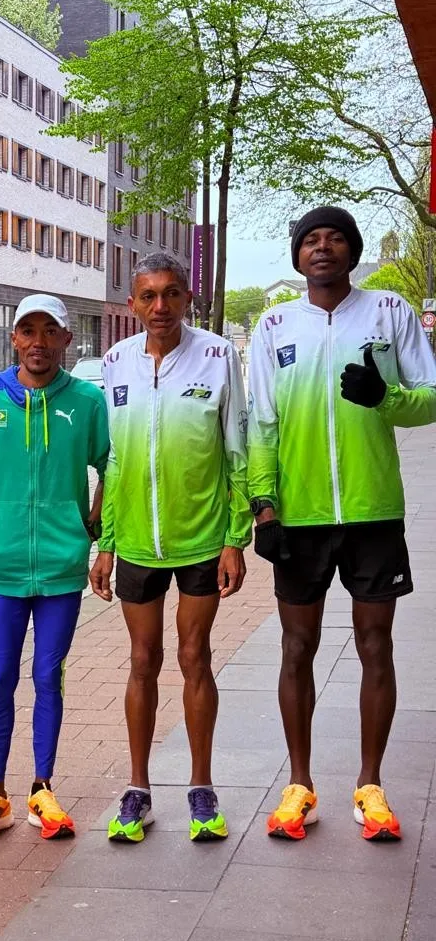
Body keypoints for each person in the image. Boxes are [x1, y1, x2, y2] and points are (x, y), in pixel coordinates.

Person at [248, 206, 436, 842]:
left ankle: (370, 786)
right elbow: (262, 425)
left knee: (375, 645)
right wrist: (263, 505)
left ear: (352, 252)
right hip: (298, 519)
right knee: (296, 648)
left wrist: (387, 398)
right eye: (310, 240)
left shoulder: (389, 313)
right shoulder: (273, 325)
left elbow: (430, 398)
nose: (322, 248)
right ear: (297, 254)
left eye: (334, 239)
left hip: (373, 511)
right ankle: (299, 784)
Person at [90, 252, 251, 844]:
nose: (160, 307)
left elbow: (238, 448)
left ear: (188, 298)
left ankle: (201, 788)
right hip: (134, 539)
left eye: (172, 294)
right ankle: (138, 789)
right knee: (141, 660)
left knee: (194, 657)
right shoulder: (113, 363)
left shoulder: (217, 355)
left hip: (202, 538)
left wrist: (237, 536)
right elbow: (111, 459)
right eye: (148, 296)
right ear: (132, 303)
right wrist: (105, 543)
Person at [0, 294, 110, 843]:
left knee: (48, 677)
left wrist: (93, 526)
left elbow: (111, 466)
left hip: (63, 572)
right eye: (28, 331)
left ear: (68, 339)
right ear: (13, 338)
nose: (38, 342)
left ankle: (42, 787)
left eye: (51, 331)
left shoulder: (88, 401)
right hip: (2, 570)